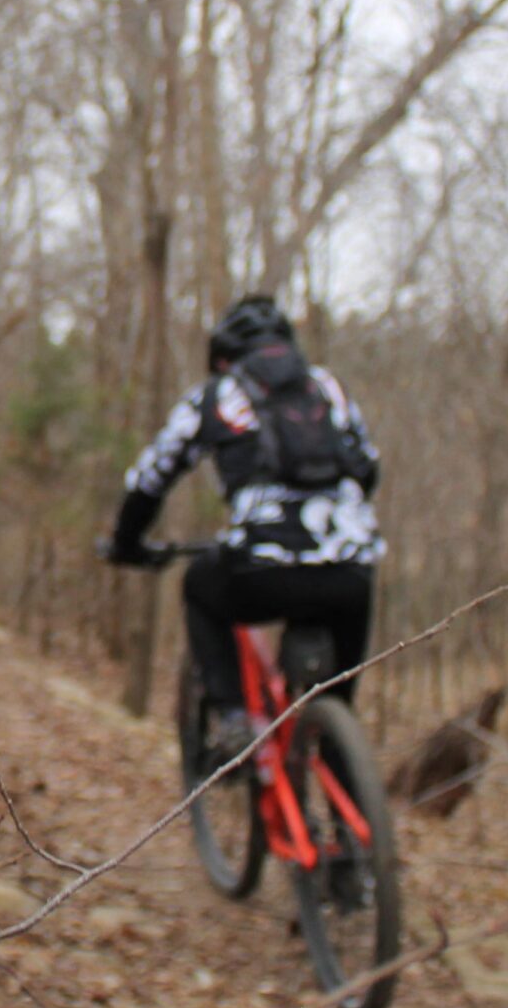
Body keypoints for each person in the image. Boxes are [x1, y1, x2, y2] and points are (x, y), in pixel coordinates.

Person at [102, 294, 384, 755]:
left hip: (263, 572)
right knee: (337, 706)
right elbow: (368, 470)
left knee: (199, 587)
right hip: (352, 571)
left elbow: (150, 478)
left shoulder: (215, 396)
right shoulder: (328, 387)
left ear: (223, 357)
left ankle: (233, 717)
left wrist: (126, 542)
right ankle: (351, 816)